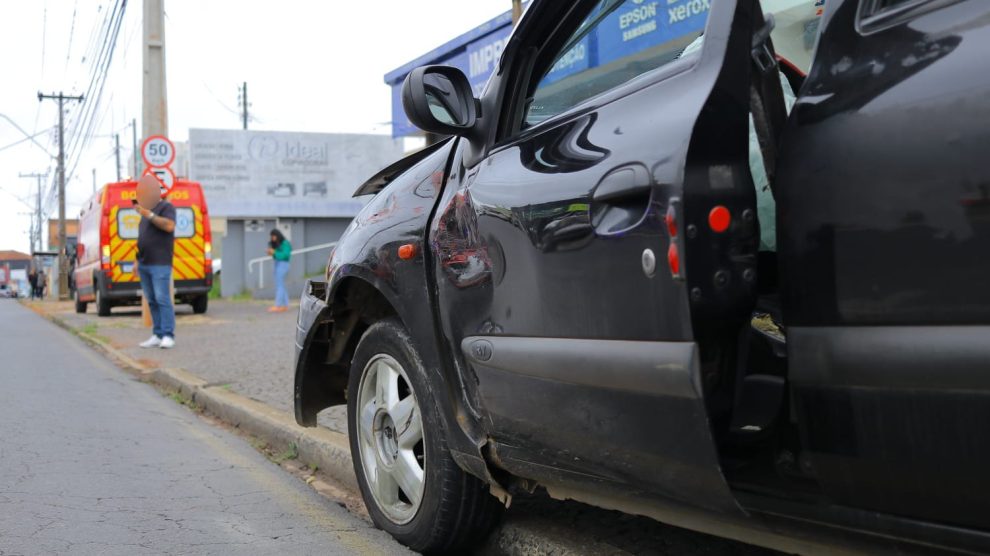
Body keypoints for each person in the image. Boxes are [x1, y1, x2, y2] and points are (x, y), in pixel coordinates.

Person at [134, 175, 177, 349]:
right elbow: (141, 239)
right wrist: (136, 261)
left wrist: (150, 215)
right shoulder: (145, 213)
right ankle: (157, 334)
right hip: (144, 262)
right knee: (151, 299)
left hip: (160, 262)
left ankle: (168, 334)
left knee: (162, 298)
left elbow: (169, 226)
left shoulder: (166, 207)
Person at [267, 229, 291, 313]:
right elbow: (276, 255)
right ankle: (285, 305)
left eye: (273, 235)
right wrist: (271, 252)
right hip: (277, 264)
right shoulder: (277, 244)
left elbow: (285, 255)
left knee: (279, 285)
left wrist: (275, 252)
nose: (272, 237)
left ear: (277, 235)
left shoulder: (285, 243)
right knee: (281, 285)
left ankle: (278, 305)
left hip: (283, 264)